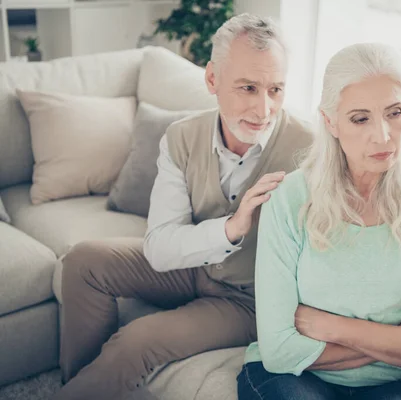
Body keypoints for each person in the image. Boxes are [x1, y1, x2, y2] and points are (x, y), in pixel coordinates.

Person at [53, 14, 314, 400]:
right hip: (190, 268)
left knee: (136, 340)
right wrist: (233, 227)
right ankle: (80, 389)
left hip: (246, 300)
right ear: (212, 79)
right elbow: (159, 247)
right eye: (248, 87)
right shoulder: (180, 138)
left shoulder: (309, 150)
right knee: (82, 261)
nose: (264, 109)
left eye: (276, 89)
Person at [237, 42, 401, 400]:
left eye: (394, 112)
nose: (383, 135)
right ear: (330, 122)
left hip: (400, 386)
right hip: (297, 379)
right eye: (360, 118)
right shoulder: (289, 199)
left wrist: (333, 327)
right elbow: (280, 350)